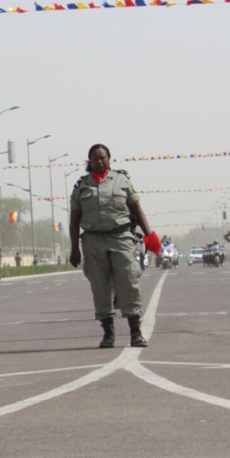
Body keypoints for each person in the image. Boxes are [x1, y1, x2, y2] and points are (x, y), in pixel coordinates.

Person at [69, 143, 160, 349]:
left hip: (121, 238)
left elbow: (138, 210)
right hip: (93, 242)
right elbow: (74, 220)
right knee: (100, 289)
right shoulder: (82, 185)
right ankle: (108, 333)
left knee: (128, 284)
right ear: (89, 161)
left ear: (109, 159)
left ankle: (135, 332)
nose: (99, 161)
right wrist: (74, 248)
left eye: (103, 157)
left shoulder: (122, 181)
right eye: (95, 158)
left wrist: (150, 237)